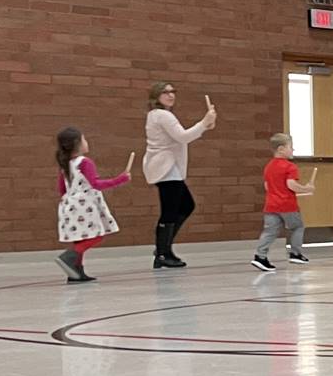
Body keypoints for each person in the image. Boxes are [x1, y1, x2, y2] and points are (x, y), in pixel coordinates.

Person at [143, 80, 216, 269]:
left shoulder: (157, 115)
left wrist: (205, 126)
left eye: (172, 91)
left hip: (168, 167)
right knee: (171, 210)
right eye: (165, 92)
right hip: (166, 168)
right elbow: (183, 137)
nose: (171, 95)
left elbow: (182, 136)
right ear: (156, 96)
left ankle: (163, 248)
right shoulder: (163, 116)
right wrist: (203, 122)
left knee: (185, 205)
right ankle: (162, 253)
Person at [54, 127, 134, 283]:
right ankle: (69, 257)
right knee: (97, 235)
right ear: (77, 143)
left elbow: (62, 190)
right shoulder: (85, 162)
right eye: (84, 139)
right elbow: (95, 184)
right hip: (85, 206)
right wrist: (121, 179)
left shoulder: (66, 165)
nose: (86, 142)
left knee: (80, 238)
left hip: (69, 205)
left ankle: (76, 272)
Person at [252, 134, 315, 273]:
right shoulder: (290, 167)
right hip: (287, 205)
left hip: (271, 205)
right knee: (297, 227)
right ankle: (295, 253)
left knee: (270, 231)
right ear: (281, 149)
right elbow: (291, 184)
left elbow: (267, 187)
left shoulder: (268, 167)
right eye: (291, 147)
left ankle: (260, 256)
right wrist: (306, 188)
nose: (293, 150)